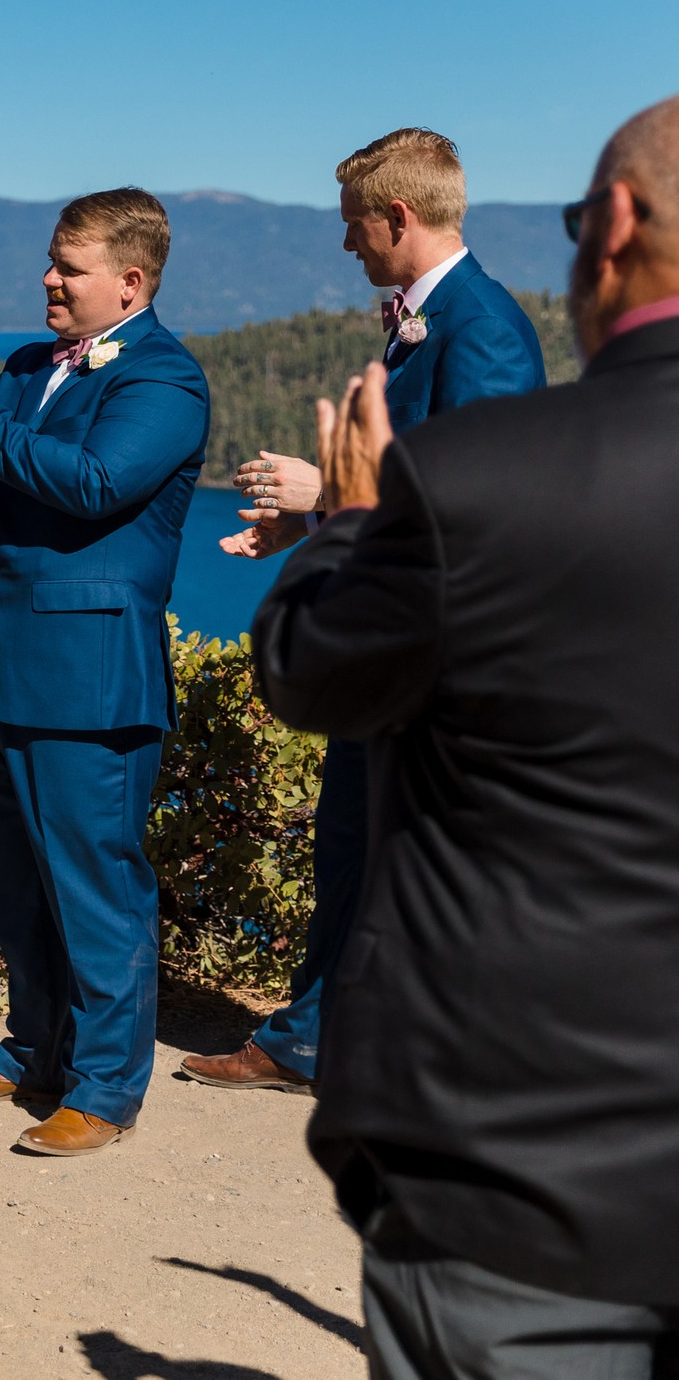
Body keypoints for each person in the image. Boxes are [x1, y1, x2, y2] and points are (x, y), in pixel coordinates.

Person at [249, 94, 679, 1376]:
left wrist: (349, 527)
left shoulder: (493, 446)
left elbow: (311, 670)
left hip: (524, 1170)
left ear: (608, 227)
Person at [188, 129, 545, 1095]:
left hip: (435, 656)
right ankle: (314, 1038)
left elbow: (481, 504)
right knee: (350, 841)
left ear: (398, 217)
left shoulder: (486, 331)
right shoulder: (425, 320)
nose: (347, 246)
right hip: (387, 645)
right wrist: (307, 529)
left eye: (354, 226)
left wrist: (328, 495)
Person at [0, 188, 210, 1155]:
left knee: (95, 884)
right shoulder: (30, 365)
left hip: (88, 672)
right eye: (49, 260)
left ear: (129, 281)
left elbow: (94, 485)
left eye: (68, 267)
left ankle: (107, 1086)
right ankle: (33, 1048)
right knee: (19, 878)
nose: (47, 278)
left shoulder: (163, 380)